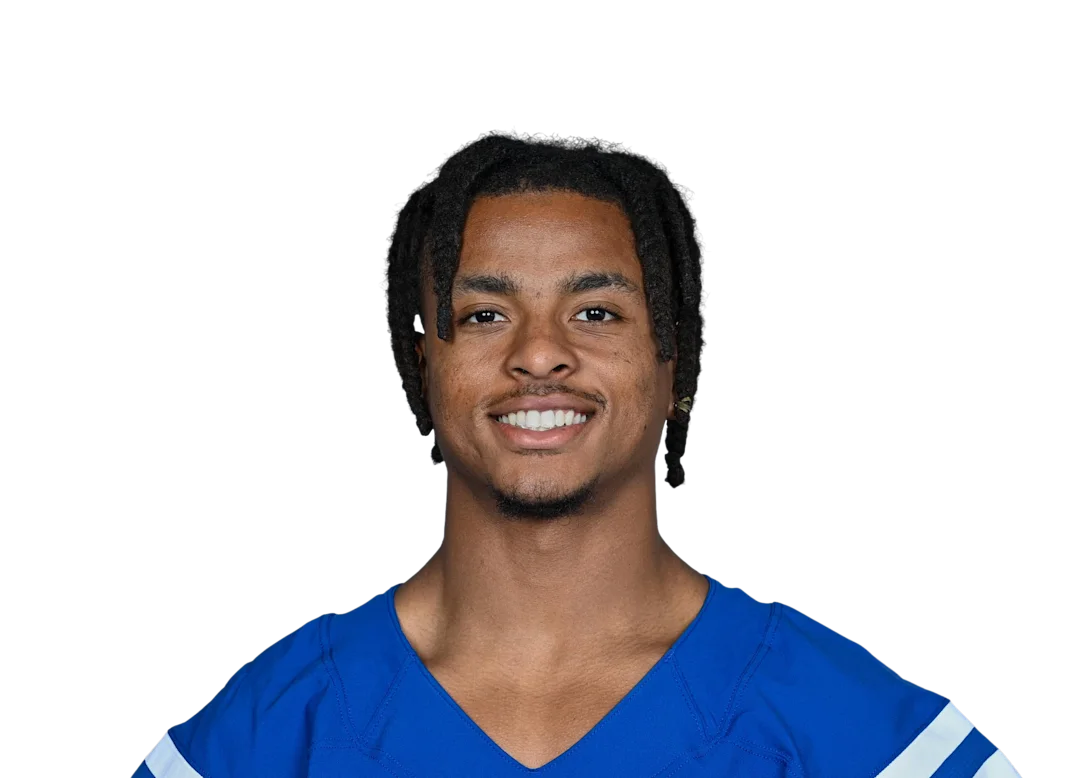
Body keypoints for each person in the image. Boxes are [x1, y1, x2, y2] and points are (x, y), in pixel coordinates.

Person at [133, 128, 1019, 776]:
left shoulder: (852, 735)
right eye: (484, 314)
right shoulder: (272, 734)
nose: (539, 353)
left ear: (673, 365)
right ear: (420, 366)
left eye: (596, 312)